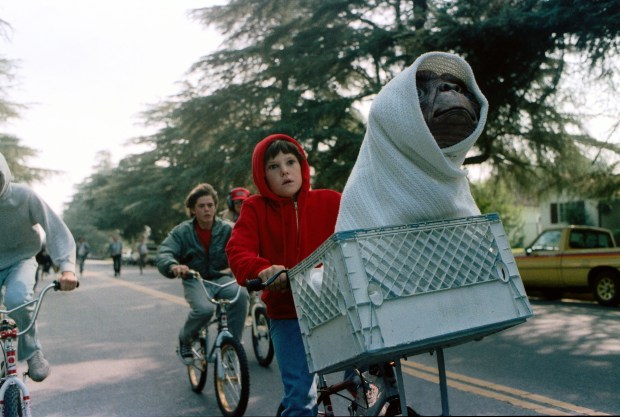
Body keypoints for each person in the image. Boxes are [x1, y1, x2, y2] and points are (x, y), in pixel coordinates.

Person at [225, 134, 341, 416]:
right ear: (262, 175)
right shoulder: (254, 208)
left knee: (364, 384)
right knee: (301, 398)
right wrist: (263, 268)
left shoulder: (331, 201)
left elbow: (359, 234)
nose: (285, 170)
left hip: (338, 309)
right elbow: (238, 251)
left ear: (303, 166)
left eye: (291, 162)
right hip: (288, 313)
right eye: (273, 166)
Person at [0, 152, 79, 382]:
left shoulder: (24, 196)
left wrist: (67, 268)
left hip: (21, 259)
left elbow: (54, 228)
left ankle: (32, 353)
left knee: (17, 299)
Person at [157, 182, 249, 364]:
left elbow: (247, 247)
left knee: (240, 297)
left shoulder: (228, 229)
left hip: (222, 277)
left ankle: (230, 345)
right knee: (205, 309)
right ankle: (185, 338)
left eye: (210, 205)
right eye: (201, 206)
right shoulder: (182, 231)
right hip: (194, 278)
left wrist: (243, 266)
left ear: (215, 207)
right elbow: (164, 252)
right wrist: (173, 266)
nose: (207, 209)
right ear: (192, 209)